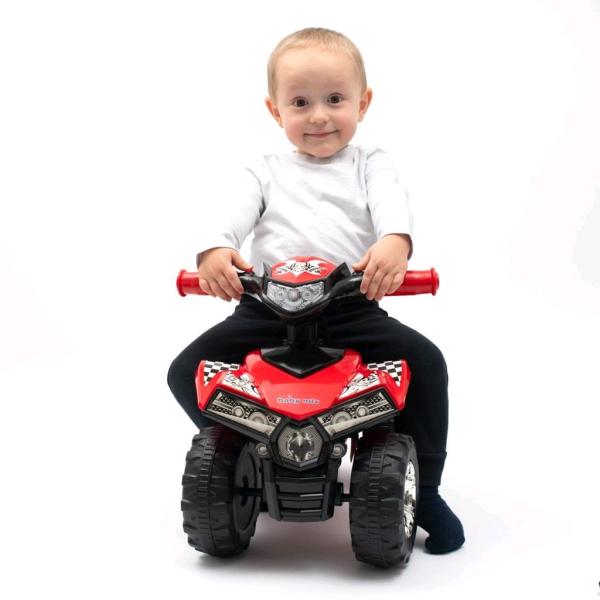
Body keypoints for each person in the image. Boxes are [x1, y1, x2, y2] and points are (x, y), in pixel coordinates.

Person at [168, 27, 465, 555]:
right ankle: (245, 447)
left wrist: (395, 243)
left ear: (362, 103)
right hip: (266, 308)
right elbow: (230, 214)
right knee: (188, 369)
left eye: (334, 99)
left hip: (349, 307)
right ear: (275, 110)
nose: (319, 116)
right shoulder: (263, 170)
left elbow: (391, 204)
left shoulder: (369, 163)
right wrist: (215, 250)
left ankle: (425, 491)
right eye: (301, 103)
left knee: (425, 363)